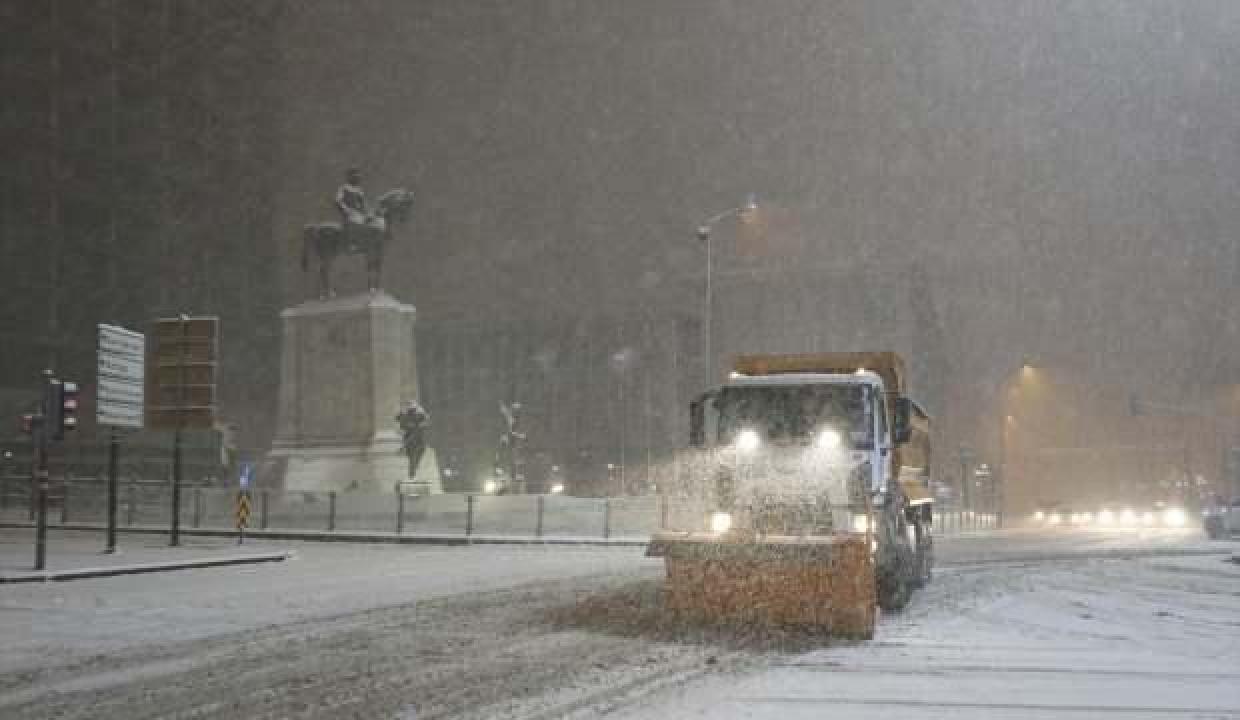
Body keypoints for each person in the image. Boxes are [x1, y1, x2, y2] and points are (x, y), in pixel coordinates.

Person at [396, 401, 430, 478]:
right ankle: (412, 475)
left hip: (417, 441)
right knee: (413, 459)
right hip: (412, 441)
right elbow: (399, 420)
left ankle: (412, 473)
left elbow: (425, 422)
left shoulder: (418, 416)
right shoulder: (407, 417)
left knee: (415, 458)